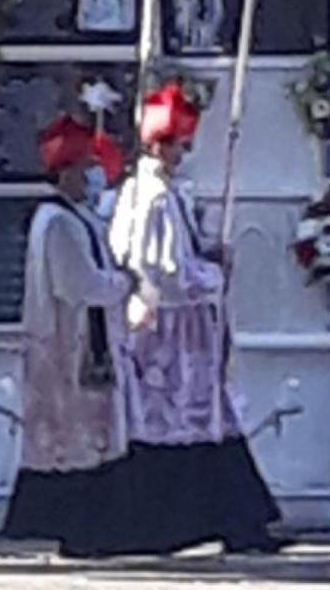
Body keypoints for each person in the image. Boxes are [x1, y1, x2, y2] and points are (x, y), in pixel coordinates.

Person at [109, 81, 284, 553]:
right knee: (173, 425)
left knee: (209, 424)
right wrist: (212, 274)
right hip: (169, 328)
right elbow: (162, 270)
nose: (184, 154)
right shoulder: (153, 198)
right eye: (180, 145)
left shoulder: (167, 192)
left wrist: (207, 251)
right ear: (159, 144)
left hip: (188, 332)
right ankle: (171, 525)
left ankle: (239, 521)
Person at [4, 114, 144, 555]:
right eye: (87, 166)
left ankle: (98, 528)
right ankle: (76, 529)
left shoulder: (75, 217)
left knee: (90, 437)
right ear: (66, 172)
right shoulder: (58, 222)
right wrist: (125, 283)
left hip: (86, 343)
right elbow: (79, 285)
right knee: (74, 440)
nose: (96, 175)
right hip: (70, 346)